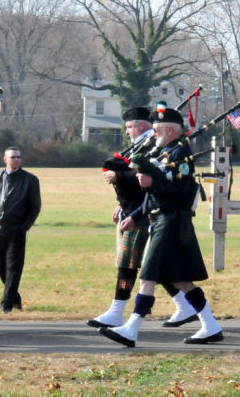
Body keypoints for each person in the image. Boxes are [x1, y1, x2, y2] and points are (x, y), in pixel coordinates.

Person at [98, 107, 222, 347]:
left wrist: (152, 182)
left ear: (169, 129)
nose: (153, 134)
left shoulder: (180, 156)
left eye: (155, 130)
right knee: (178, 280)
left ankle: (131, 329)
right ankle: (211, 326)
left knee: (147, 276)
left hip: (171, 221)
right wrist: (135, 214)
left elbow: (180, 194)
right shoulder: (167, 152)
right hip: (161, 219)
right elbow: (154, 196)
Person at [87, 107, 197, 329]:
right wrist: (122, 205)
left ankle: (122, 316)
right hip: (140, 210)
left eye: (129, 126)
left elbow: (147, 176)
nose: (127, 131)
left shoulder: (157, 146)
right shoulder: (150, 144)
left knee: (141, 266)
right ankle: (189, 309)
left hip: (150, 213)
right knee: (155, 267)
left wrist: (118, 176)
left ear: (143, 126)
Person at [0, 146, 41, 313]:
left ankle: (6, 303)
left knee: (13, 267)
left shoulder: (30, 180)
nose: (16, 160)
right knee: (2, 268)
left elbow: (35, 206)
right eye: (13, 157)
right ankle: (14, 298)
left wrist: (24, 227)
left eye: (18, 157)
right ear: (5, 159)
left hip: (16, 230)